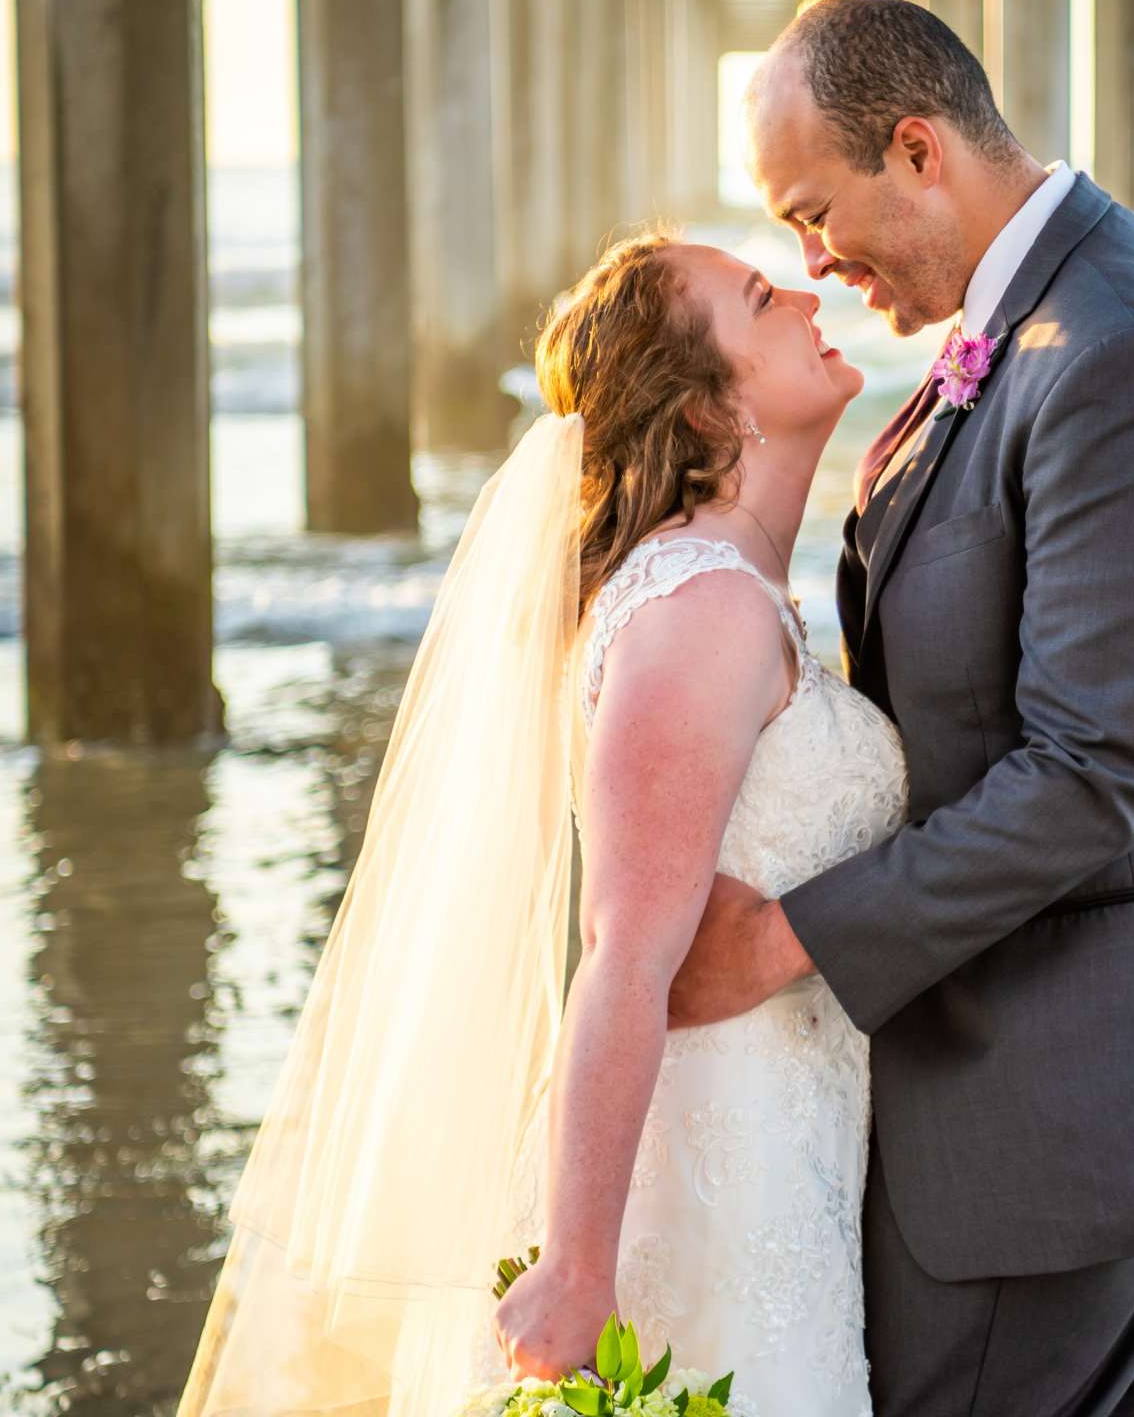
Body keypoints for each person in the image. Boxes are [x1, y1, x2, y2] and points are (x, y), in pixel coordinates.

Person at [666, 0, 1134, 1414]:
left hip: (1070, 1097)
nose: (811, 261)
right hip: (1052, 1087)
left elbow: (1096, 774)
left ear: (918, 152)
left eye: (817, 213)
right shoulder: (1041, 328)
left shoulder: (1121, 358)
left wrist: (785, 942)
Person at [176, 230, 903, 1417]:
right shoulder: (701, 606)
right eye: (763, 299)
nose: (808, 293)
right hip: (714, 1189)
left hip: (784, 1165)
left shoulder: (732, 592)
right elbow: (625, 950)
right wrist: (577, 1266)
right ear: (710, 410)